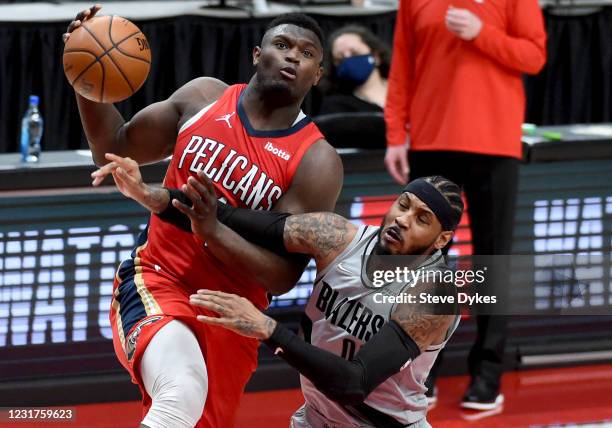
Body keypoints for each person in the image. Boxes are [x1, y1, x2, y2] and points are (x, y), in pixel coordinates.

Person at [65, 6, 343, 427]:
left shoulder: (317, 161)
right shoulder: (203, 98)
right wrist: (85, 74)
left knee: (190, 416)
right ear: (256, 54)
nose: (292, 57)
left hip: (233, 313)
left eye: (306, 54)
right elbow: (115, 142)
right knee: (180, 393)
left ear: (317, 74)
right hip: (158, 278)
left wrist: (211, 229)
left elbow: (284, 275)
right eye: (282, 45)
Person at [94, 162, 464, 427]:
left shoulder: (436, 294)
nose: (402, 219)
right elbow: (232, 218)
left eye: (422, 219)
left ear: (442, 239)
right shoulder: (338, 237)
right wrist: (151, 196)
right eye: (404, 205)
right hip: (315, 419)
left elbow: (354, 383)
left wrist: (268, 330)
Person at [383, 0, 547, 410]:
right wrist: (394, 134)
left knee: (493, 258)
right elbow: (402, 65)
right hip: (431, 140)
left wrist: (481, 33)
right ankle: (419, 372)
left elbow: (534, 56)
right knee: (423, 263)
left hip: (494, 143)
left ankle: (488, 375)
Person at [319, 25, 390, 115]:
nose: (348, 59)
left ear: (376, 57)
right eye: (340, 59)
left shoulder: (407, 91)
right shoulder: (335, 108)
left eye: (355, 53)